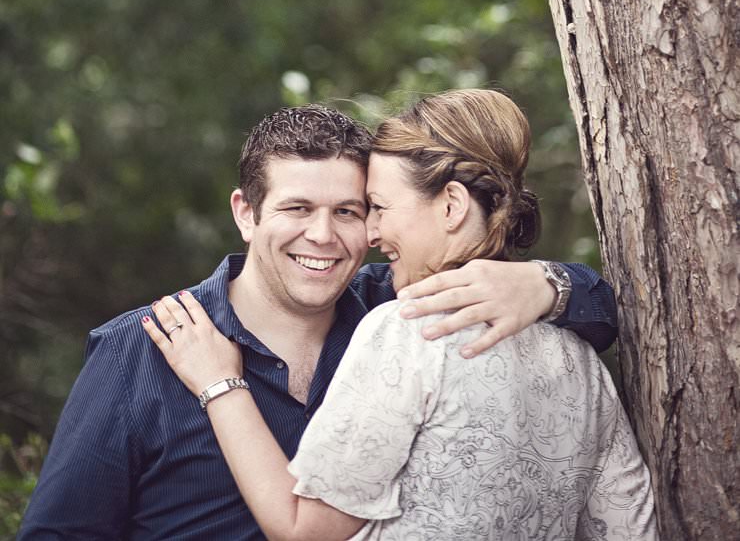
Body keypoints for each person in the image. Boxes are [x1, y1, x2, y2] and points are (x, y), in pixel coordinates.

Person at [20, 104, 618, 540]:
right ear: (246, 213)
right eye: (297, 209)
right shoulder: (146, 345)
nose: (323, 237)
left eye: (351, 212)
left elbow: (607, 318)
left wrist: (546, 283)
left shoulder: (403, 311)